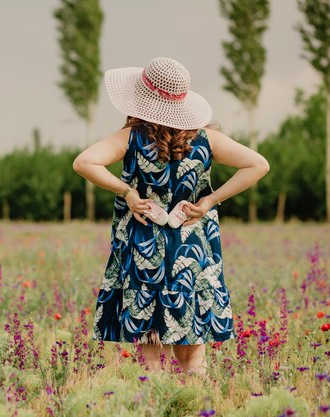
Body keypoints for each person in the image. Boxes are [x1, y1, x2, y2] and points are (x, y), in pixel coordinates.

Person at [72, 57, 269, 376]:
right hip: (193, 253)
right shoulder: (206, 139)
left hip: (145, 255)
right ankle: (195, 408)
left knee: (152, 360)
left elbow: (84, 162)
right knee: (194, 357)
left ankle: (157, 407)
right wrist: (209, 201)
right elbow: (259, 164)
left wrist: (128, 193)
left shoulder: (131, 138)